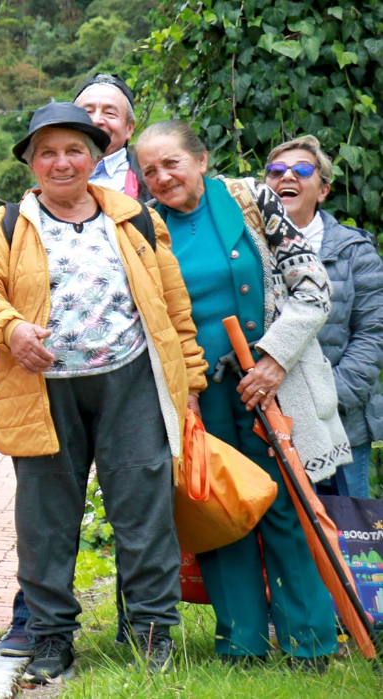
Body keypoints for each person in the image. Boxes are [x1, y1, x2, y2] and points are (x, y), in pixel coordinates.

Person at [0, 102, 204, 683]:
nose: (62, 162)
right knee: (45, 520)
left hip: (132, 381)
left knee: (143, 512)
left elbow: (174, 310)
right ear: (30, 163)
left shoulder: (138, 221)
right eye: (47, 152)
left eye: (75, 150)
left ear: (97, 157)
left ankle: (151, 633)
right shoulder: (7, 226)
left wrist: (189, 384)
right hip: (42, 388)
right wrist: (12, 329)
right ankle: (50, 638)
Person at [136, 121, 348, 669]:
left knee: (286, 507)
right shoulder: (142, 226)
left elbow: (312, 287)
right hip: (197, 397)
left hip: (267, 388)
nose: (161, 177)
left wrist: (274, 360)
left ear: (201, 160)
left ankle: (311, 646)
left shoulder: (251, 200)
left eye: (172, 164)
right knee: (221, 512)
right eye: (150, 170)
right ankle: (241, 646)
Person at [265, 135, 383, 500]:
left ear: (324, 190)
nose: (287, 177)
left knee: (347, 547)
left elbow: (373, 335)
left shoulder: (354, 252)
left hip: (341, 425)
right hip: (269, 423)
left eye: (301, 170)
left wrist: (325, 401)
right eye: (276, 171)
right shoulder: (249, 249)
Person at [73, 74, 151, 201]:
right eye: (87, 111)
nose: (96, 120)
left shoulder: (152, 180)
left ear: (129, 128)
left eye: (110, 113)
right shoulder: (47, 184)